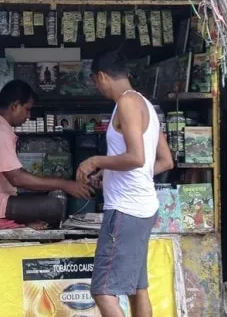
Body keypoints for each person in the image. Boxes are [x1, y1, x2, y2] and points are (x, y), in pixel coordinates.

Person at [75, 50, 174, 317]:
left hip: (126, 210)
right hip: (142, 208)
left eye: (96, 82)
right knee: (137, 288)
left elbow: (136, 157)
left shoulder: (127, 103)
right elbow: (164, 161)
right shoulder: (147, 107)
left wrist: (95, 161)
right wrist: (110, 174)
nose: (98, 88)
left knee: (102, 291)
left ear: (102, 76)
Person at [0, 79, 94, 228]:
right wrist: (65, 184)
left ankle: (20, 222)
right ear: (15, 106)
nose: (28, 116)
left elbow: (17, 176)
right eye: (27, 109)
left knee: (47, 199)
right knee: (54, 206)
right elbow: (17, 179)